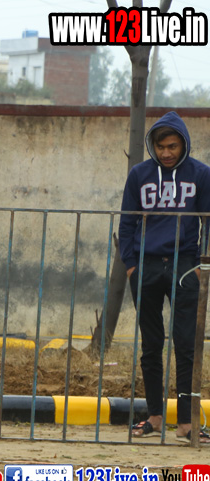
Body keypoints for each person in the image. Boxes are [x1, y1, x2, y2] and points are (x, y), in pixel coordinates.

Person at [119, 111, 210, 443]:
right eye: (160, 147)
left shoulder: (201, 174)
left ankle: (186, 423)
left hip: (185, 266)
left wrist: (202, 264)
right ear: (152, 146)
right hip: (146, 266)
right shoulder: (139, 175)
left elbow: (208, 221)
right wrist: (132, 265)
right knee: (151, 344)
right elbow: (127, 222)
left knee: (186, 344)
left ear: (183, 144)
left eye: (172, 146)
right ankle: (154, 417)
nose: (166, 153)